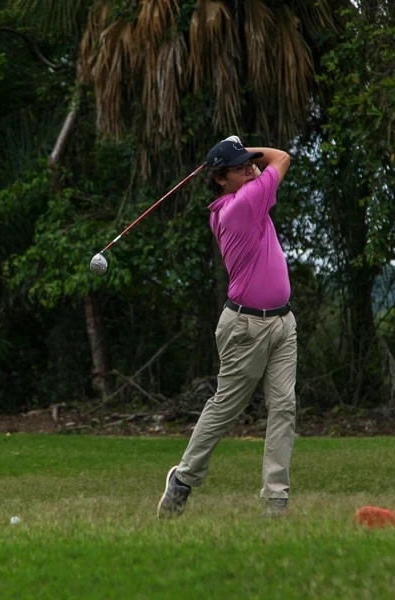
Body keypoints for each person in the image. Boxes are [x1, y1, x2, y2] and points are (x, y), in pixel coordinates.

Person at [157, 136, 296, 519]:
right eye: (239, 167)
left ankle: (276, 500)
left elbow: (262, 164)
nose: (251, 168)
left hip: (283, 323)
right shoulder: (242, 205)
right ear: (220, 179)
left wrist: (234, 151)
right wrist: (245, 146)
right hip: (246, 327)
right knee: (226, 407)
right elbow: (281, 157)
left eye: (249, 164)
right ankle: (183, 479)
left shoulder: (243, 194)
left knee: (284, 407)